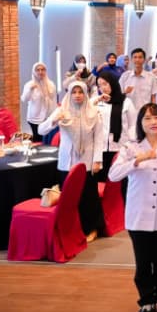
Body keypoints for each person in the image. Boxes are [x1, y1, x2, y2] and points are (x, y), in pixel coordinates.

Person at [109, 103, 157, 312]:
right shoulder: (130, 147)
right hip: (138, 214)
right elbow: (113, 175)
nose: (153, 122)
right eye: (148, 118)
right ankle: (146, 301)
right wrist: (136, 161)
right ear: (140, 123)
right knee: (143, 262)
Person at [39, 81, 107, 237]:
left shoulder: (94, 112)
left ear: (85, 94)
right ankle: (70, 230)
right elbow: (42, 130)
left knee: (88, 196)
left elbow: (99, 139)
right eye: (74, 92)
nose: (77, 95)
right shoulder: (62, 111)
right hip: (67, 161)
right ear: (69, 94)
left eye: (80, 92)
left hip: (87, 161)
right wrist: (53, 121)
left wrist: (97, 160)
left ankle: (91, 229)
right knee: (69, 198)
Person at [94, 72, 137, 239]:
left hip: (120, 148)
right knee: (103, 184)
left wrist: (131, 144)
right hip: (100, 149)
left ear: (112, 83)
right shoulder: (97, 102)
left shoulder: (126, 102)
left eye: (105, 84)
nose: (102, 88)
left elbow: (133, 125)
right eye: (99, 85)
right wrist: (96, 100)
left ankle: (125, 213)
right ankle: (104, 219)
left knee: (121, 184)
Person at [22, 62, 58, 143]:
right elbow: (24, 99)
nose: (40, 72)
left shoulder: (50, 84)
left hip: (47, 117)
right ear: (34, 71)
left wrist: (54, 115)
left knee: (46, 140)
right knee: (37, 140)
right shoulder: (29, 84)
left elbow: (54, 100)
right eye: (38, 70)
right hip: (34, 118)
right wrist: (30, 90)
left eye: (42, 70)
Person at [118, 48, 157, 112]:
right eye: (135, 57)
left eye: (140, 57)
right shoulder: (125, 76)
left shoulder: (151, 77)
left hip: (145, 112)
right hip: (128, 112)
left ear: (144, 60)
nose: (137, 60)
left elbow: (153, 97)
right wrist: (125, 92)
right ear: (131, 60)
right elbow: (119, 95)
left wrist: (153, 111)